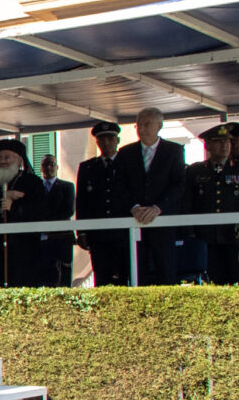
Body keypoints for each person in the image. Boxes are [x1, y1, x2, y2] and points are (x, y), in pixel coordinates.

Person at [113, 107, 187, 285]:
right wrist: (134, 207)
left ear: (159, 126)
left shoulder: (173, 151)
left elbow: (179, 184)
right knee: (138, 271)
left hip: (163, 222)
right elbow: (119, 185)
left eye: (147, 124)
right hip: (135, 222)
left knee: (165, 271)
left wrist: (158, 208)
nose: (142, 129)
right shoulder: (125, 153)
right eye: (138, 125)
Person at [184, 123, 239, 284]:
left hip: (237, 236)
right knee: (214, 283)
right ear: (208, 145)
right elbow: (187, 203)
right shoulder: (195, 171)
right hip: (208, 237)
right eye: (219, 141)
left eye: (227, 141)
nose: (225, 145)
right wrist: (191, 232)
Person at [0, 139, 47, 287]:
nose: (3, 161)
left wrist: (16, 205)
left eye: (7, 157)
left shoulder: (33, 182)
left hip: (23, 248)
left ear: (19, 160)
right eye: (0, 157)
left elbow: (41, 211)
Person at [74, 122, 126, 286]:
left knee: (123, 277)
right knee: (101, 278)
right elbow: (81, 201)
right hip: (98, 235)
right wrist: (81, 232)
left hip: (122, 233)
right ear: (97, 143)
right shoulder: (88, 167)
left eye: (110, 139)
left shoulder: (127, 164)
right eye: (102, 140)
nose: (106, 143)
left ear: (117, 141)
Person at [38, 155, 76, 287]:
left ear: (57, 167)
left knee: (63, 276)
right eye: (45, 165)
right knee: (44, 274)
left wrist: (47, 219)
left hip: (61, 237)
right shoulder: (36, 188)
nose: (48, 168)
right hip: (42, 239)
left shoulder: (67, 186)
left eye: (51, 164)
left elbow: (68, 210)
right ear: (41, 168)